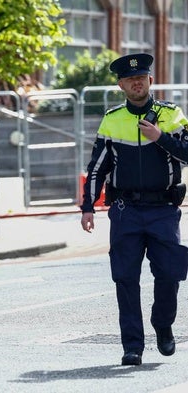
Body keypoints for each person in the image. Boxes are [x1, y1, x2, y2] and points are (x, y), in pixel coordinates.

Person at [80, 53, 188, 366]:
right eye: (129, 79)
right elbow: (97, 167)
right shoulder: (112, 119)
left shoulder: (171, 113)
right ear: (121, 85)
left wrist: (160, 137)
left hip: (163, 210)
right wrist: (88, 206)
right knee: (125, 279)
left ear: (150, 81)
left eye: (141, 77)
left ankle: (163, 324)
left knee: (171, 274)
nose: (136, 82)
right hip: (125, 211)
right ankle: (132, 346)